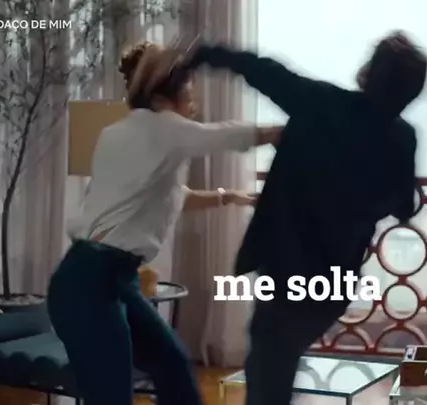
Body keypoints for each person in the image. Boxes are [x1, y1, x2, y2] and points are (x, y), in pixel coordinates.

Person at [188, 31, 427, 405]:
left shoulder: (321, 103)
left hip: (286, 272)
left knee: (268, 376)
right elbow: (403, 207)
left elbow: (264, 71)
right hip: (333, 284)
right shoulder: (402, 137)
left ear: (370, 72)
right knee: (275, 367)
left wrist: (206, 53)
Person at [46, 41, 282, 405]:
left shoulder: (122, 133)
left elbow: (171, 197)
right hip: (90, 282)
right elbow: (224, 135)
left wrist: (228, 196)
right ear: (165, 95)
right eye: (190, 93)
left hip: (108, 277)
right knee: (111, 396)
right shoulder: (164, 128)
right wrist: (279, 133)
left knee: (173, 364)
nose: (194, 103)